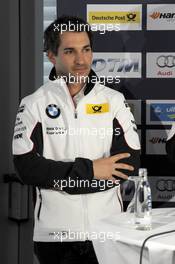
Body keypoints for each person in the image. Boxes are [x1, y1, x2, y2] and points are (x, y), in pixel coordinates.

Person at [12, 16, 140, 264]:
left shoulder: (113, 101)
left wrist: (59, 180)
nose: (81, 60)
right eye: (70, 51)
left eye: (86, 49)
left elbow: (128, 165)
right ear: (51, 56)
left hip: (108, 232)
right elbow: (27, 169)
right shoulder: (33, 104)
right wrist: (93, 170)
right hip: (54, 237)